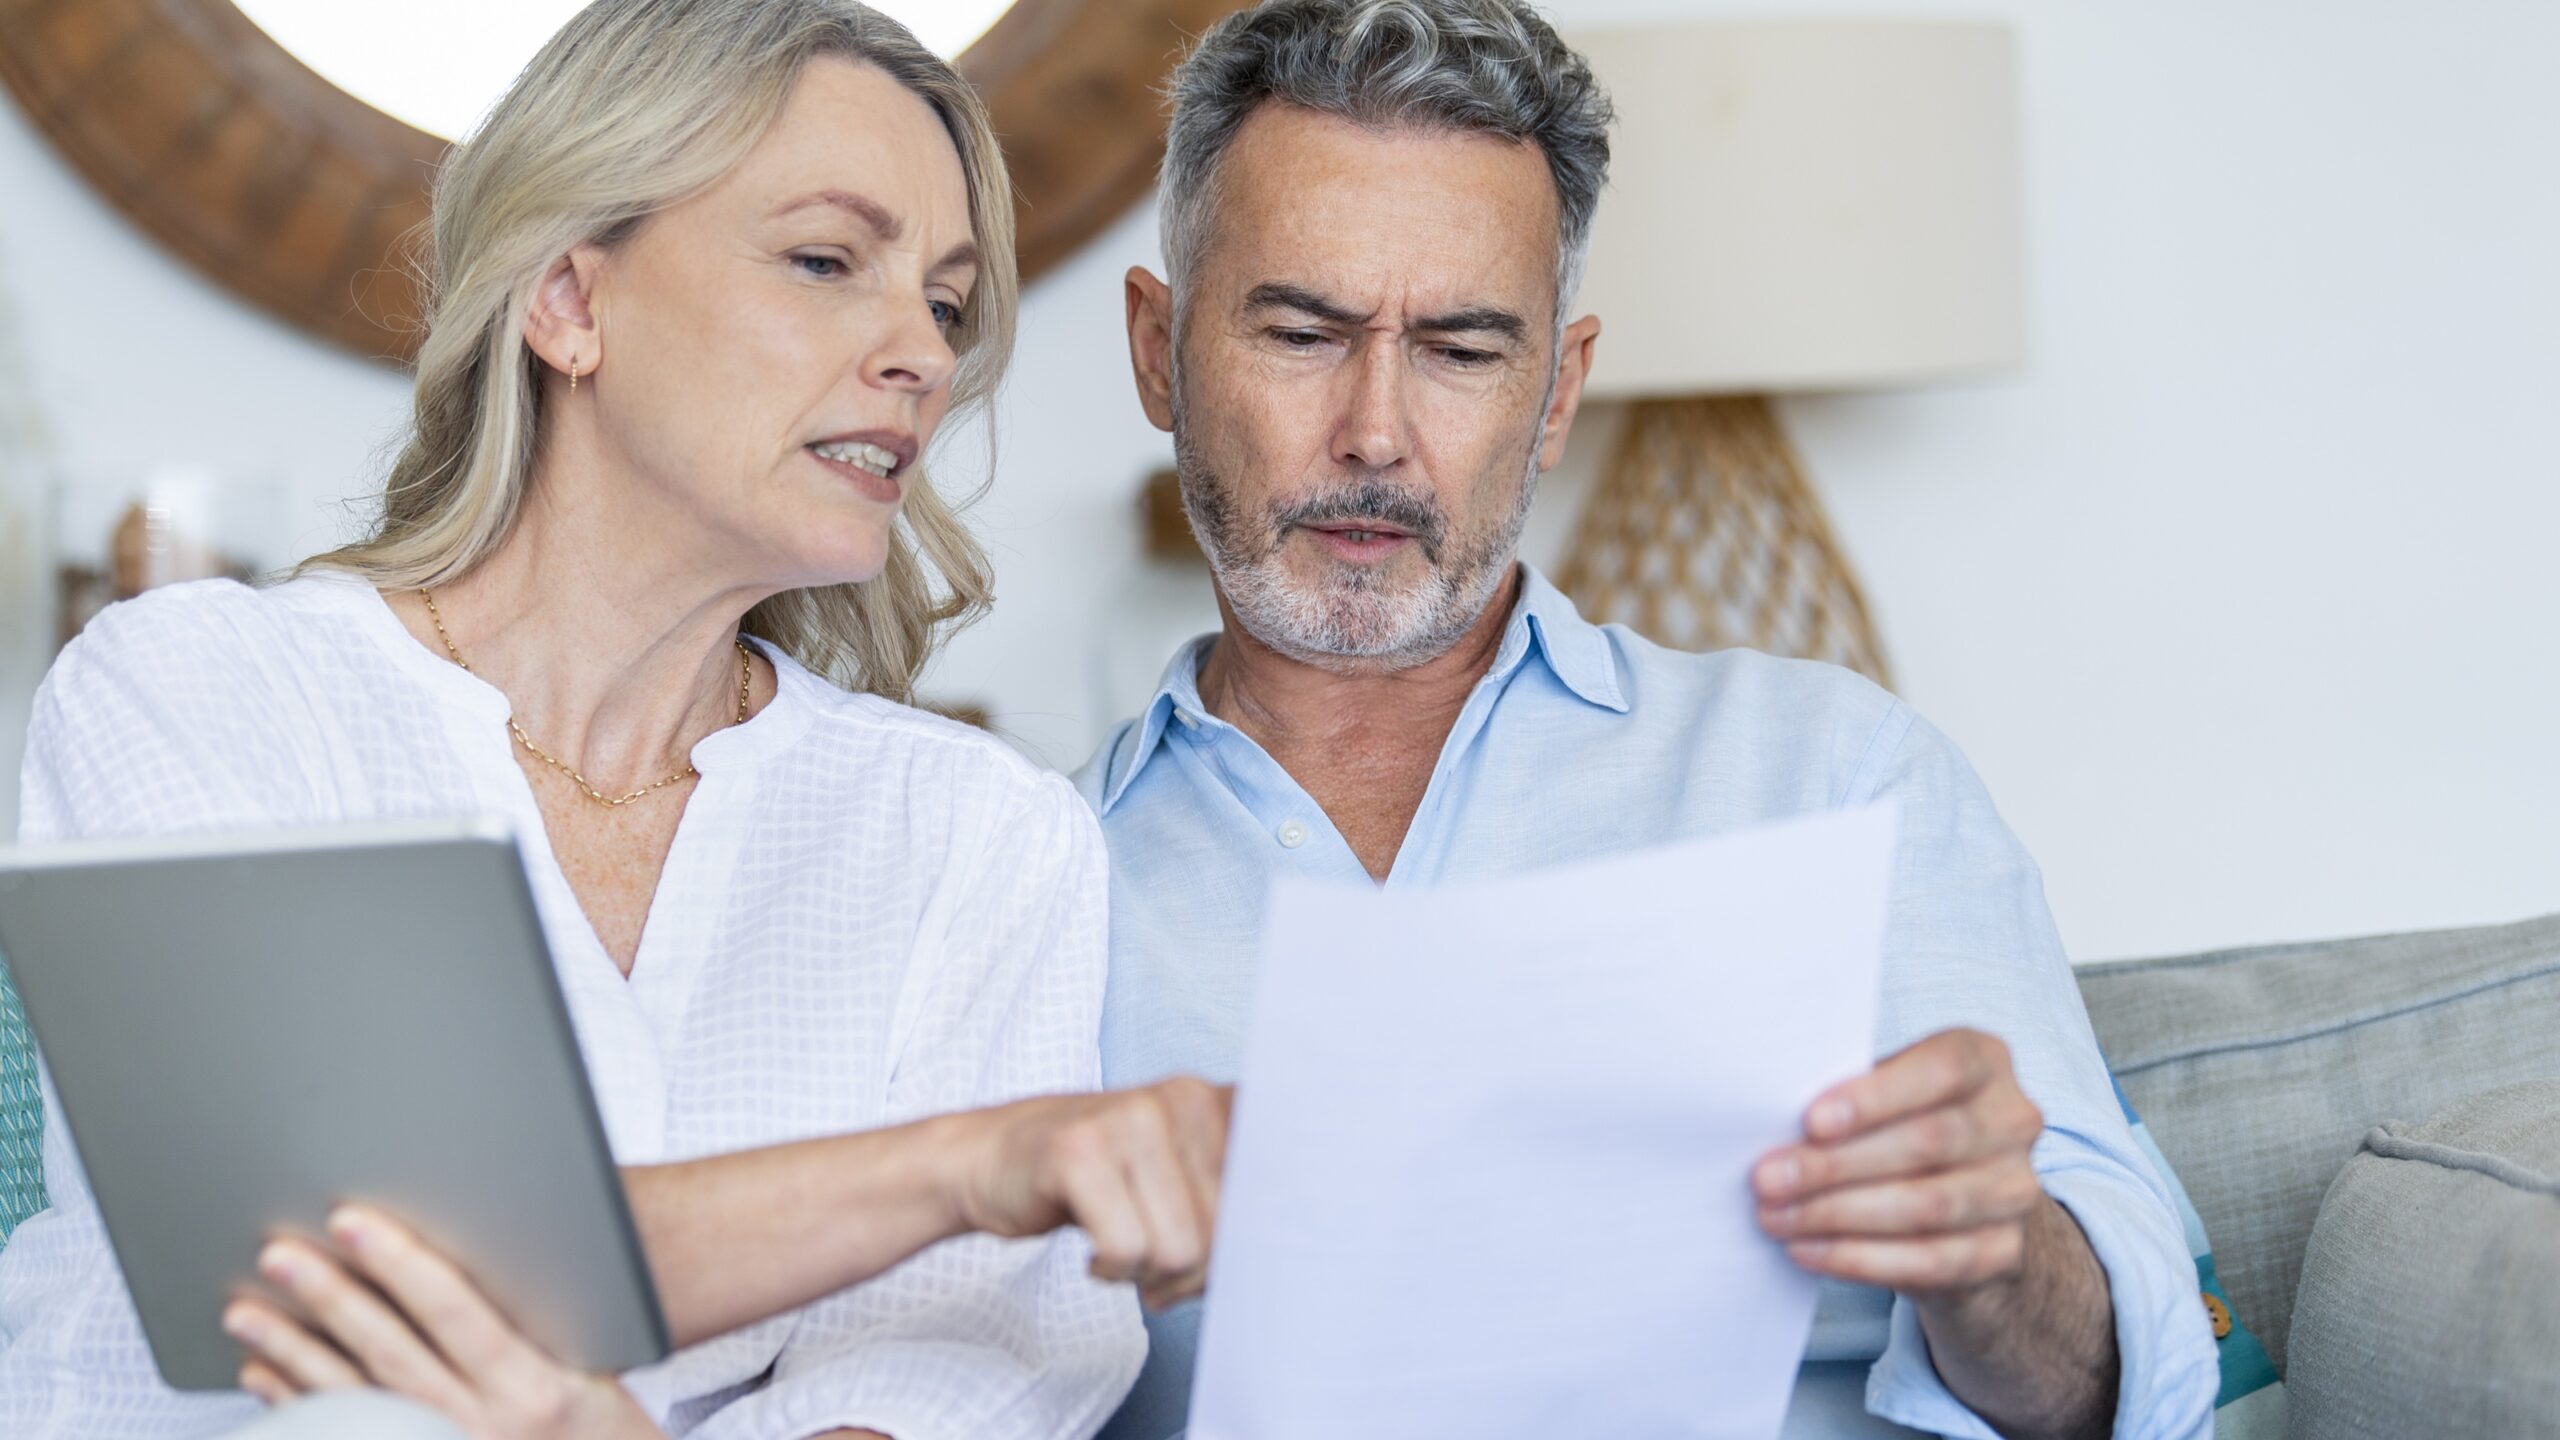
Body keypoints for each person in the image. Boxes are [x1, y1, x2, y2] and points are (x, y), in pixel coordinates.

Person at [0, 3, 1224, 1437]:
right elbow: (361, 1282)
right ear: (570, 301)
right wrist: (967, 1167)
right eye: (827, 260)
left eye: (947, 303)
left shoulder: (976, 833)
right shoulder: (205, 692)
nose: (922, 352)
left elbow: (957, 1373)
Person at [1077, 2, 2222, 1437]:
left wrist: (1992, 1259)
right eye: (1303, 332)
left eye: (1463, 351)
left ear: (1558, 392)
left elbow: (2131, 1391)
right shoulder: (1026, 884)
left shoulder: (1832, 775)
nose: (1375, 433)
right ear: (1156, 351)